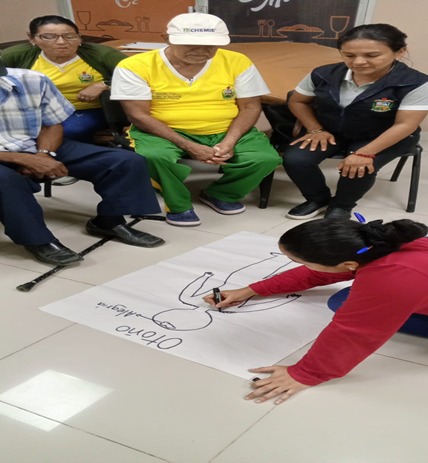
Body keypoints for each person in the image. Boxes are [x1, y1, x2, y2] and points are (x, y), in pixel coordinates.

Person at [203, 217, 428, 404]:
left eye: (302, 262)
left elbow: (355, 332)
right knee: (348, 299)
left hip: (403, 283)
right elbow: (317, 273)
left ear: (348, 264)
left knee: (347, 303)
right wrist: (250, 290)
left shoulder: (393, 278)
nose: (302, 266)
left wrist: (306, 373)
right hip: (409, 280)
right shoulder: (377, 244)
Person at [110, 12, 282, 227]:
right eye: (191, 44)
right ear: (167, 38)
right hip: (161, 131)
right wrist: (189, 145)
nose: (201, 51)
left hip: (225, 127)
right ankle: (178, 204)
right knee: (154, 156)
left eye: (211, 46)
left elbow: (250, 106)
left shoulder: (237, 61)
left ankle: (221, 194)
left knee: (265, 158)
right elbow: (138, 115)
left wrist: (229, 141)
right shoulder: (134, 66)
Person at [0, 63, 165, 266]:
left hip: (35, 143)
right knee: (5, 180)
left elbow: (52, 124)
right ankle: (38, 240)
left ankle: (108, 221)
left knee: (125, 161)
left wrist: (45, 155)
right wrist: (22, 159)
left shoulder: (33, 80)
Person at [282, 23, 428, 220]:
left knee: (360, 166)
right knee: (296, 159)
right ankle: (318, 199)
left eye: (372, 55)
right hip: (331, 130)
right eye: (349, 55)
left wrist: (364, 153)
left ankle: (342, 206)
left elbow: (405, 125)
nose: (358, 62)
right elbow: (297, 101)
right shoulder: (322, 74)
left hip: (385, 135)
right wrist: (315, 129)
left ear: (399, 52)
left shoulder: (416, 83)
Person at [1, 15, 126, 143]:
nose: (61, 42)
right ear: (32, 38)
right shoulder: (15, 56)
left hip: (86, 109)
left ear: (79, 38)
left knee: (65, 132)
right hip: (35, 112)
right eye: (49, 37)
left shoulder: (101, 54)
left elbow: (136, 76)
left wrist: (104, 85)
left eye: (69, 36)